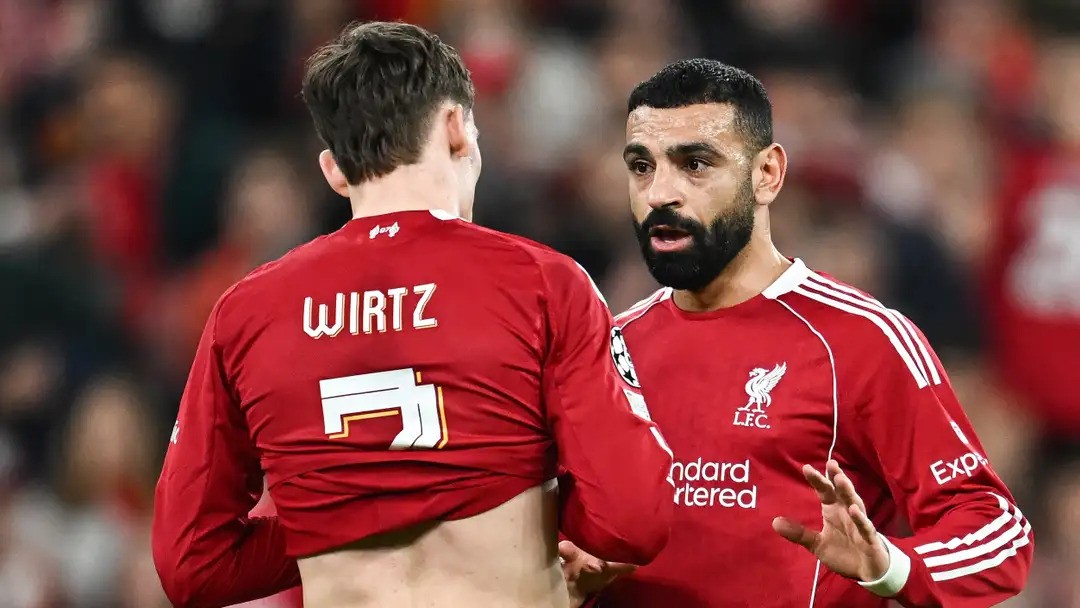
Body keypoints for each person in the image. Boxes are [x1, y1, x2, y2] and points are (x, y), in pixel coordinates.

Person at [151, 21, 674, 608]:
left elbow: (192, 561)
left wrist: (329, 516)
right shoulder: (543, 284)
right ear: (456, 129)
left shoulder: (247, 313)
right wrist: (531, 509)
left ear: (334, 169)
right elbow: (634, 518)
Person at [559, 59, 1032, 608]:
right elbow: (562, 546)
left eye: (695, 164)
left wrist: (890, 566)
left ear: (767, 174)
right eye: (642, 166)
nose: (660, 193)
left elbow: (998, 531)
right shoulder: (608, 349)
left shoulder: (861, 339)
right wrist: (568, 581)